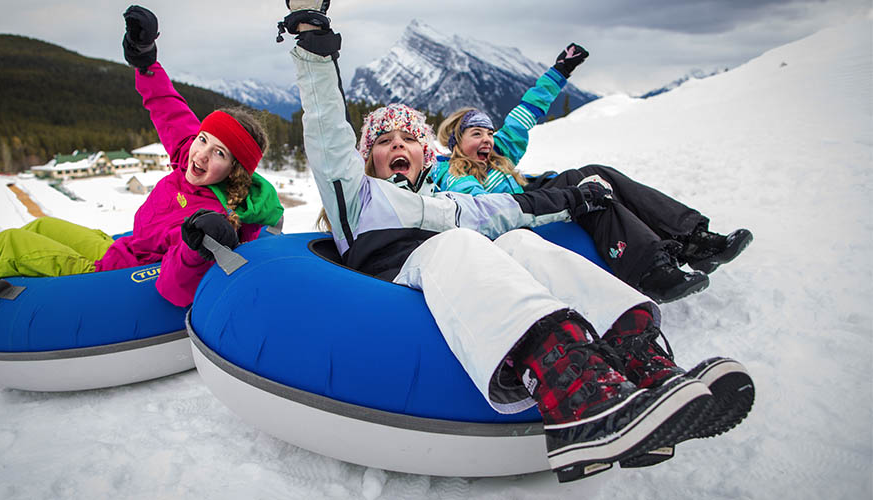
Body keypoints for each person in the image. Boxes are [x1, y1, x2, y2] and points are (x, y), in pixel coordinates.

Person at [278, 2, 753, 482]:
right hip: (392, 285)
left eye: (407, 138)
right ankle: (573, 394)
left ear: (427, 155)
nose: (396, 146)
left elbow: (507, 209)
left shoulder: (447, 203)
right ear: (368, 157)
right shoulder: (356, 195)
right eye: (384, 140)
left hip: (460, 277)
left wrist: (576, 198)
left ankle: (641, 359)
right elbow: (325, 130)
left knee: (520, 244)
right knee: (458, 245)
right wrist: (312, 44)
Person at [0, 5, 283, 336]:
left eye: (218, 152)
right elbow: (170, 110)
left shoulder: (210, 218)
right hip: (124, 246)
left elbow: (176, 289)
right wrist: (145, 60)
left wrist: (197, 247)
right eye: (203, 139)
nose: (201, 154)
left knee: (9, 245)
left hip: (115, 274)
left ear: (235, 169)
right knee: (42, 225)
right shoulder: (191, 160)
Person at [432, 53, 753, 303]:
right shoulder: (452, 175)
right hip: (517, 221)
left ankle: (692, 240)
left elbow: (528, 109)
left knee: (595, 175)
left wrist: (560, 70)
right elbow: (488, 209)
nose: (487, 139)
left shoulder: (500, 153)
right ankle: (651, 271)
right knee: (588, 192)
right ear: (456, 143)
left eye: (489, 132)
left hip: (537, 197)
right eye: (476, 133)